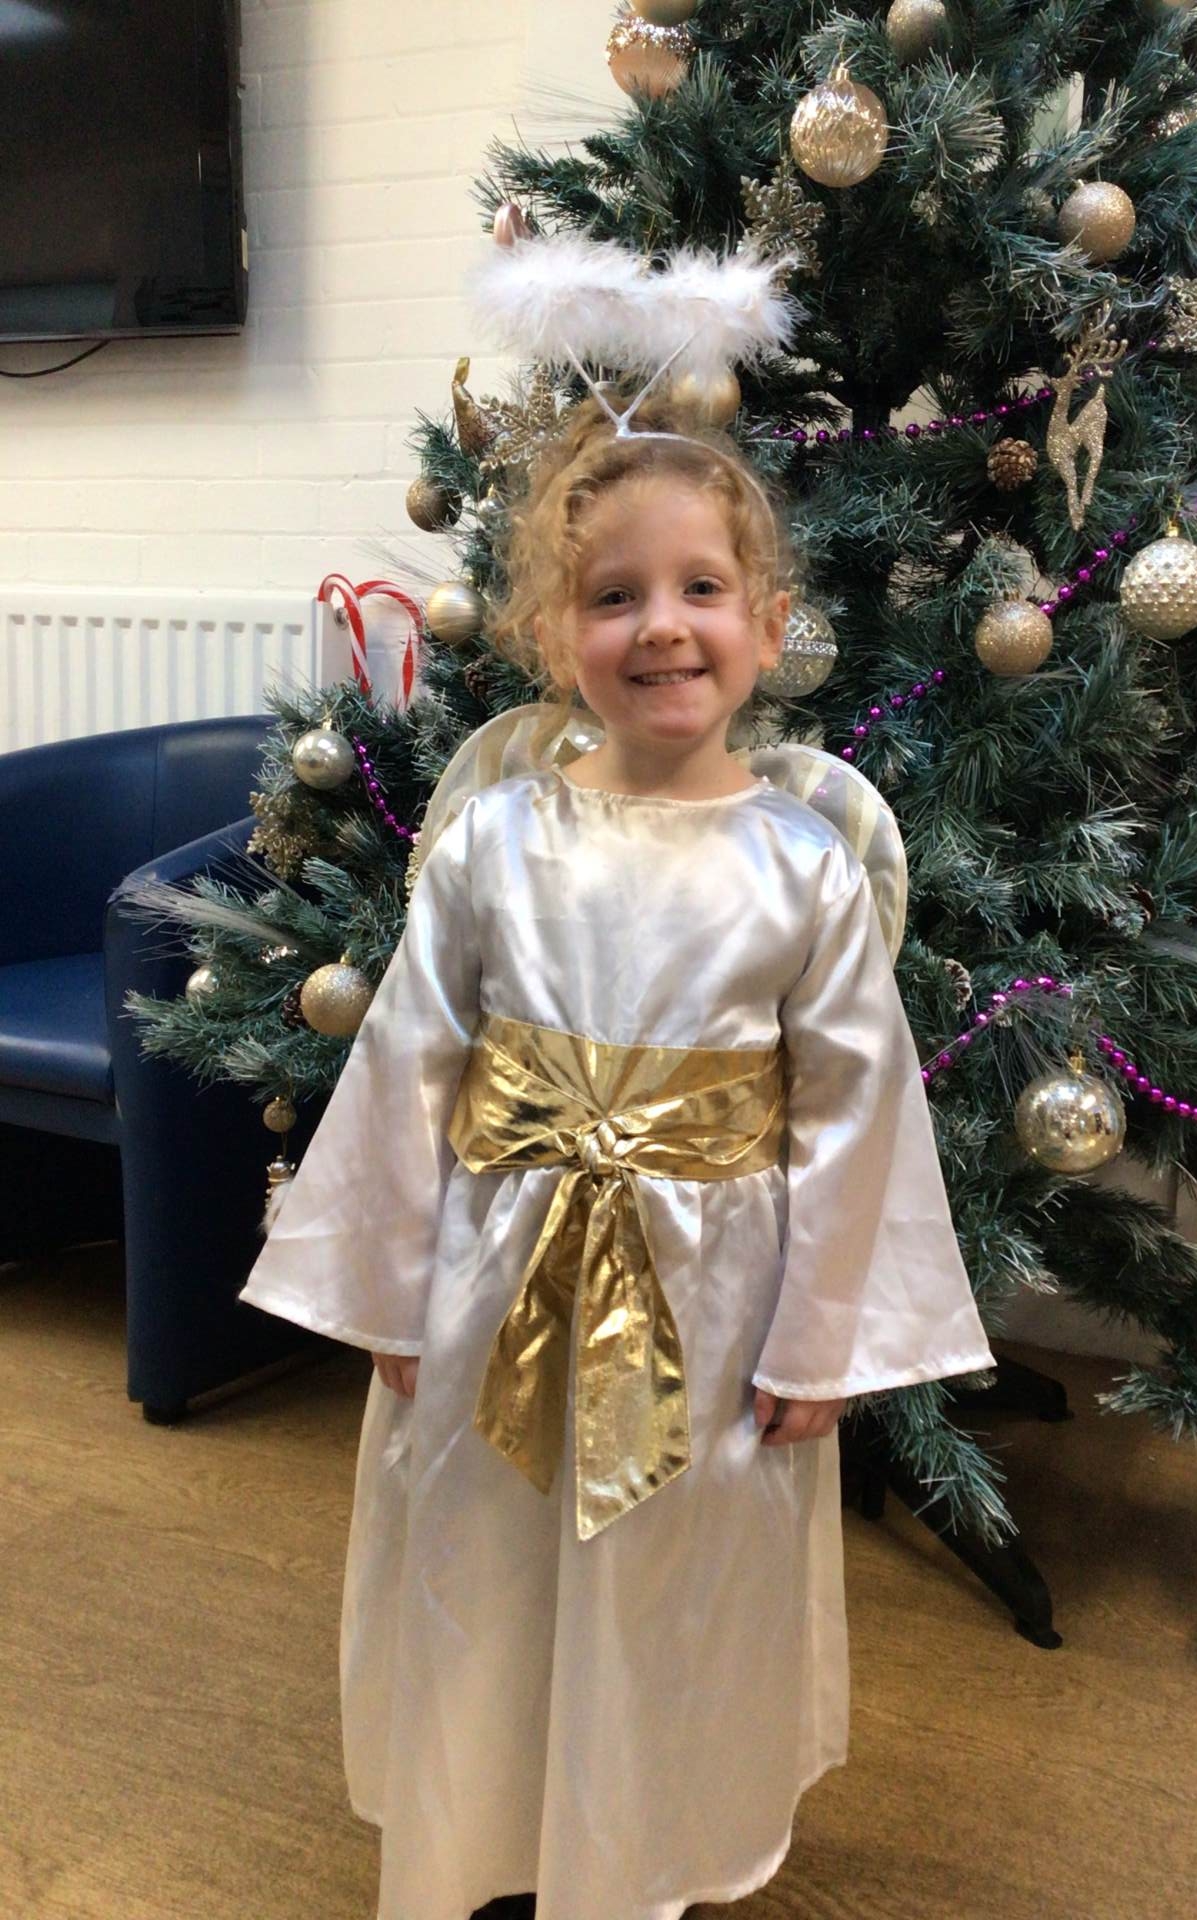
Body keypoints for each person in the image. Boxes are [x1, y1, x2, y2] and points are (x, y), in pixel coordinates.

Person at [237, 388, 996, 1920]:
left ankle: (638, 1851)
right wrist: (384, 1293)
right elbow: (410, 1063)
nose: (661, 626)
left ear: (767, 626)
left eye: (701, 587)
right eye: (613, 595)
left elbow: (856, 1115)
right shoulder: (493, 843)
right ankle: (488, 1833)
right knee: (489, 1556)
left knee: (674, 1573)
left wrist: (824, 1339)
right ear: (551, 633)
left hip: (717, 1306)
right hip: (491, 1285)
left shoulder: (806, 873)